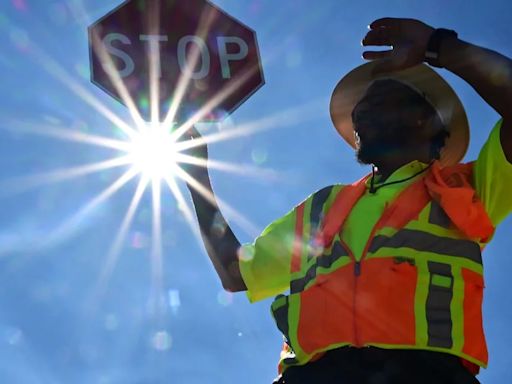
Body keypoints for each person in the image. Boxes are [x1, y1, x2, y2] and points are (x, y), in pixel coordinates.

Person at [184, 17, 512, 383]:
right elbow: (237, 273)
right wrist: (196, 176)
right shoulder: (323, 206)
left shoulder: (467, 188)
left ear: (426, 120)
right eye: (359, 110)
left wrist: (439, 46)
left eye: (379, 101)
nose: (359, 114)